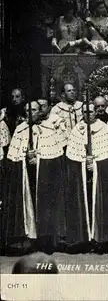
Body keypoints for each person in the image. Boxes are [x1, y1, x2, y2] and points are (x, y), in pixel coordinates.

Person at [2, 101, 65, 254]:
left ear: (40, 111)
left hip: (44, 176)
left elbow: (56, 156)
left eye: (34, 110)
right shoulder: (21, 129)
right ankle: (29, 239)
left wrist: (39, 159)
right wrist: (25, 155)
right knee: (28, 206)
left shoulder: (48, 128)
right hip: (26, 176)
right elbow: (13, 157)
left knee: (45, 206)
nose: (31, 114)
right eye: (28, 111)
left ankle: (46, 240)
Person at [66, 102, 108, 253]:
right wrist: (83, 163)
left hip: (101, 178)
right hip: (83, 178)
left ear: (95, 112)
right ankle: (84, 239)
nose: (88, 114)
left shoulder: (104, 129)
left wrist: (96, 164)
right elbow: (72, 157)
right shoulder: (77, 130)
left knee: (102, 204)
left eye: (91, 111)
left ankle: (102, 239)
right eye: (85, 112)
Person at [50, 84, 83, 148]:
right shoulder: (56, 109)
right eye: (69, 91)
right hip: (64, 144)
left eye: (73, 90)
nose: (72, 92)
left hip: (81, 141)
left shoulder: (81, 106)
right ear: (63, 94)